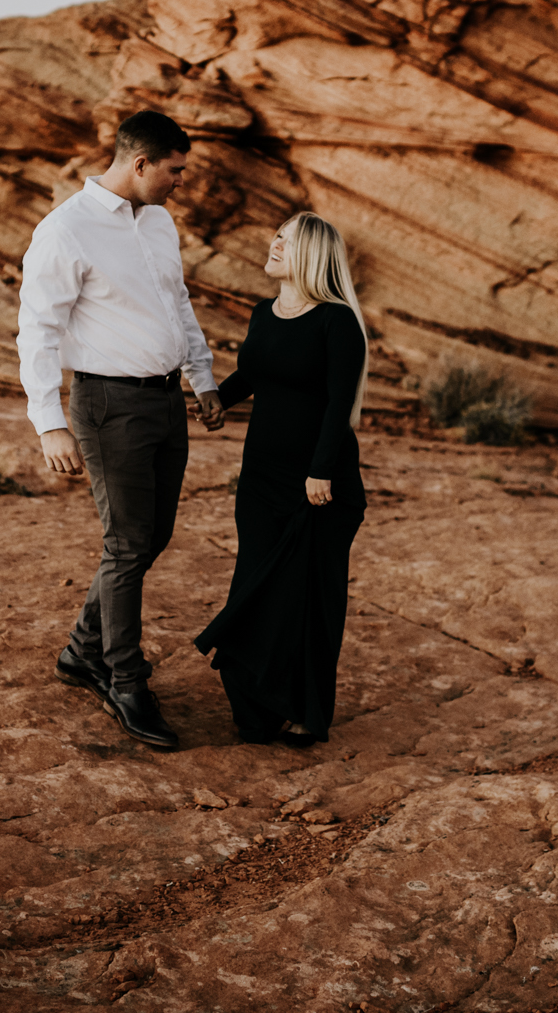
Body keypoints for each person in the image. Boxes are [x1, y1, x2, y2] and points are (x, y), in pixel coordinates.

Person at [17, 110, 225, 750]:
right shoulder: (65, 231)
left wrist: (203, 376)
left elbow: (178, 303)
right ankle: (123, 678)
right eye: (175, 171)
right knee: (130, 541)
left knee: (151, 534)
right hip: (107, 405)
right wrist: (50, 423)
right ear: (140, 164)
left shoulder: (159, 222)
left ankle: (84, 649)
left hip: (164, 401)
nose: (180, 183)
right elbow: (38, 330)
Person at [194, 212, 368, 746]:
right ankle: (255, 708)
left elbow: (340, 402)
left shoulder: (337, 321)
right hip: (261, 477)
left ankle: (302, 710)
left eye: (284, 241)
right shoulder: (263, 312)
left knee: (308, 594)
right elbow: (254, 371)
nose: (272, 245)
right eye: (274, 235)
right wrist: (218, 398)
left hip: (320, 485)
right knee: (256, 585)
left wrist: (320, 471)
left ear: (311, 255)